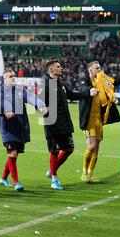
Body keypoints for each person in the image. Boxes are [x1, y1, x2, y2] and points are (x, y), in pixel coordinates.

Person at [41, 60, 96, 190]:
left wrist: (88, 93)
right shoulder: (46, 84)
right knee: (54, 151)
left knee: (69, 149)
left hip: (64, 122)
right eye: (58, 67)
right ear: (52, 70)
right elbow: (38, 99)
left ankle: (52, 170)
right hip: (52, 122)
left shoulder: (61, 84)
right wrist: (41, 108)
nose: (61, 68)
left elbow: (72, 95)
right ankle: (54, 179)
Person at [0, 69, 48, 191]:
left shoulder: (19, 90)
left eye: (14, 76)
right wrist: (5, 110)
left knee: (14, 154)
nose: (13, 78)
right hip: (7, 128)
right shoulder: (0, 91)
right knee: (12, 153)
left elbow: (30, 97)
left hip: (20, 126)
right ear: (4, 79)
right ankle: (16, 182)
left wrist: (40, 104)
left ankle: (3, 178)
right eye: (10, 76)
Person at [78, 61, 120, 183]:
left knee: (97, 148)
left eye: (100, 68)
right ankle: (84, 173)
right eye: (97, 68)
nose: (100, 70)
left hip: (99, 120)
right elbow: (82, 89)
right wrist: (90, 90)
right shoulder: (85, 79)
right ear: (90, 71)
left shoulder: (102, 81)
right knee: (91, 146)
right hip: (89, 119)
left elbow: (114, 81)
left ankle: (90, 174)